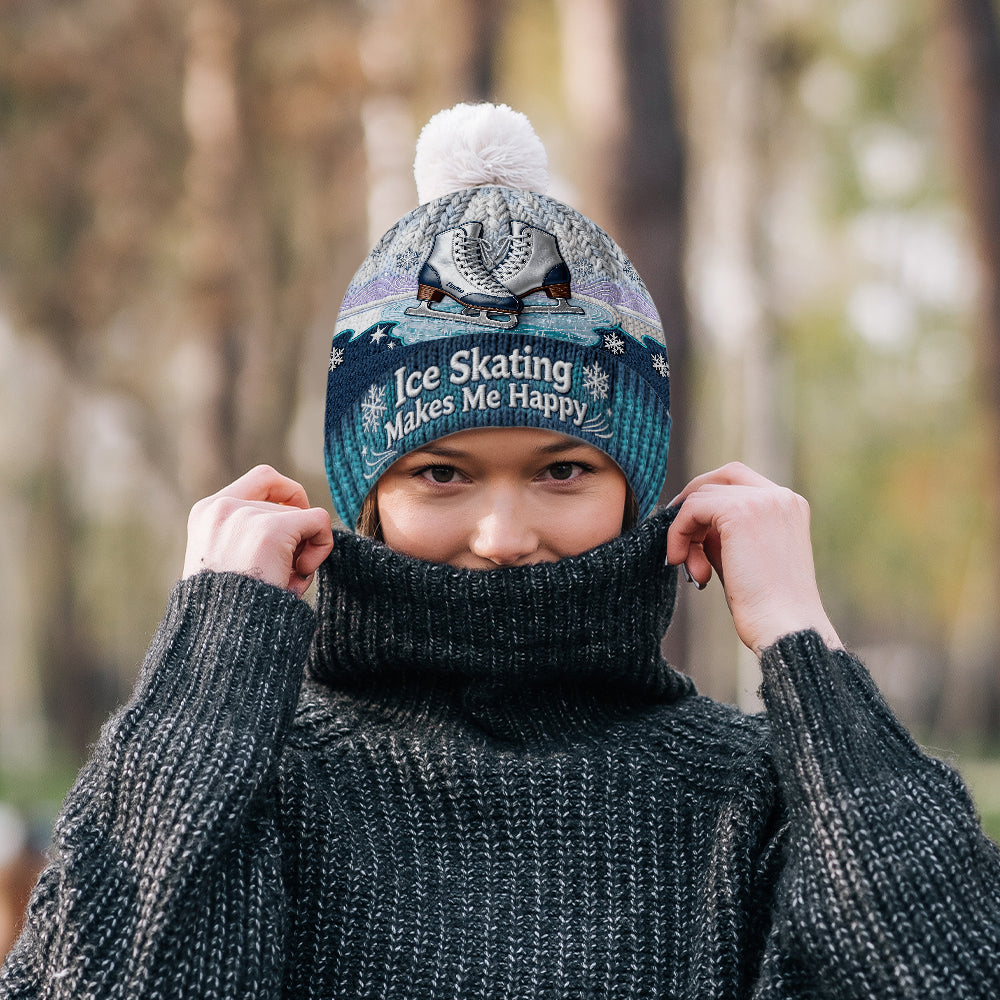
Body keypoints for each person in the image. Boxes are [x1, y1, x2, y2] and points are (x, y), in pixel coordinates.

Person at [2, 102, 998, 1000]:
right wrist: (200, 689)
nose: (505, 533)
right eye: (441, 473)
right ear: (366, 496)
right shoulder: (258, 784)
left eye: (563, 469)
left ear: (633, 487)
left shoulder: (750, 798)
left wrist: (803, 646)